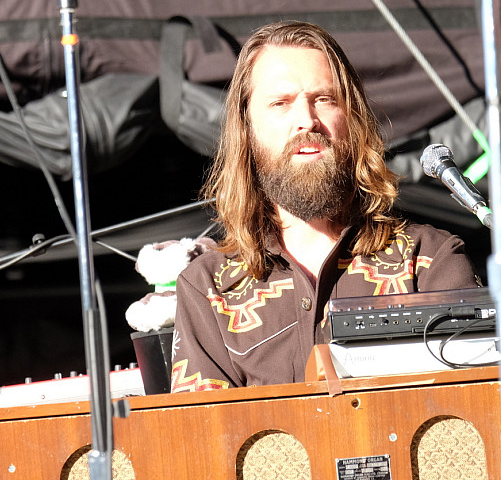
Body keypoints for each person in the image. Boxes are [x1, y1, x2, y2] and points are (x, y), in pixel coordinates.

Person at [169, 21, 481, 392]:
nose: (306, 120)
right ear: (247, 130)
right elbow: (204, 426)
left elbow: (472, 411)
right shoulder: (208, 289)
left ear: (353, 120)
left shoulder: (429, 259)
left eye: (324, 99)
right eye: (281, 103)